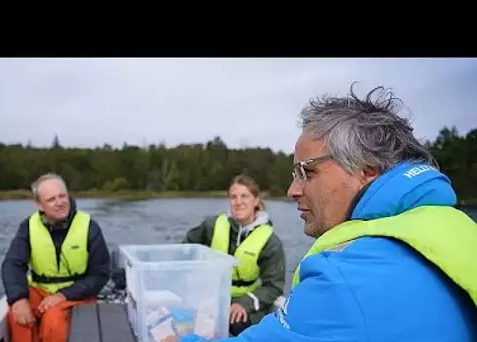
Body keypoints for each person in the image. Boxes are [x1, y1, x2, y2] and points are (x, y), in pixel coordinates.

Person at [164, 84, 477, 342]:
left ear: (367, 170)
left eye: (306, 172)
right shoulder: (459, 228)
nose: (292, 191)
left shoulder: (344, 281)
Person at [1, 173, 111, 342]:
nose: (60, 203)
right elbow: (12, 264)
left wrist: (63, 295)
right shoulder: (28, 227)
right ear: (39, 205)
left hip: (77, 294)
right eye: (52, 199)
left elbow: (100, 274)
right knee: (18, 316)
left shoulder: (89, 226)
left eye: (63, 196)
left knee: (54, 319)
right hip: (40, 290)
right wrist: (18, 299)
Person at [182, 174, 286, 336]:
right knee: (183, 319)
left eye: (244, 196)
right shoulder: (211, 226)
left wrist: (244, 303)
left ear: (256, 201)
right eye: (233, 197)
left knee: (237, 323)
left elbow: (273, 286)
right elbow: (186, 249)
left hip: (246, 301)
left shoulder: (270, 242)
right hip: (211, 296)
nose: (238, 202)